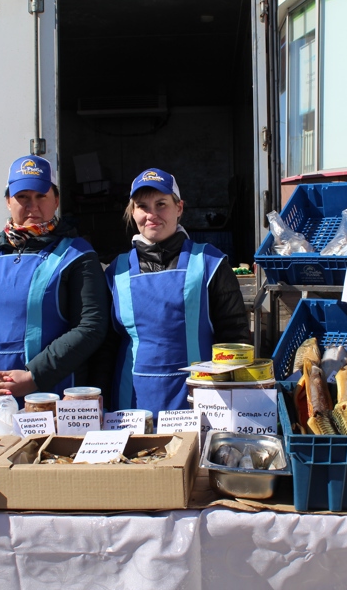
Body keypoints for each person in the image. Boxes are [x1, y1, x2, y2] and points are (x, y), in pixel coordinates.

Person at [0, 155, 110, 413]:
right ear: (8, 201)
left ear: (56, 200)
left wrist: (34, 376)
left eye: (41, 196)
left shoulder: (78, 255)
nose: (33, 206)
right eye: (22, 197)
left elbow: (91, 326)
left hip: (49, 402)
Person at [103, 168, 250, 415]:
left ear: (179, 208)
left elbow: (234, 335)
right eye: (142, 206)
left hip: (199, 401)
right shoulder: (116, 272)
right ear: (132, 212)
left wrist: (237, 400)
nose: (152, 215)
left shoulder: (210, 263)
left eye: (161, 204)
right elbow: (107, 347)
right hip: (131, 405)